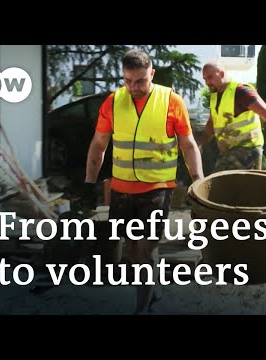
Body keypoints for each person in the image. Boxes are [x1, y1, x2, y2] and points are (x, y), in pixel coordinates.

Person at [83, 49, 204, 315]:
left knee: (145, 250)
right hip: (122, 190)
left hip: (157, 189)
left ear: (152, 73)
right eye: (127, 80)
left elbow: (188, 145)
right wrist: (89, 182)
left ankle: (141, 308)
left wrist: (198, 182)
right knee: (133, 248)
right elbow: (98, 145)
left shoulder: (171, 101)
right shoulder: (114, 102)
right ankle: (155, 289)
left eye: (139, 81)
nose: (133, 87)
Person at [197, 60, 266, 172]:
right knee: (240, 187)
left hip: (248, 149)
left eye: (210, 77)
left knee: (221, 178)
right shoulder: (215, 96)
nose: (207, 82)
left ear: (222, 74)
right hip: (230, 151)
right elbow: (212, 124)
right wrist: (199, 144)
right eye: (205, 79)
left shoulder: (241, 91)